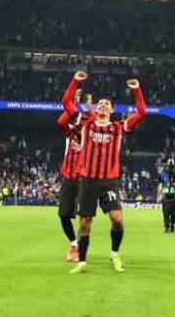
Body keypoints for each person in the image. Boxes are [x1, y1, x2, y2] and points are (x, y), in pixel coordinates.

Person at [59, 71, 147, 274]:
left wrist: (136, 90)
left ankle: (115, 253)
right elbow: (66, 103)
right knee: (85, 224)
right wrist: (75, 80)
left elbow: (142, 112)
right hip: (88, 181)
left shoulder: (119, 127)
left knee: (117, 219)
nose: (103, 105)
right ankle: (82, 262)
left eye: (107, 104)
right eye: (100, 103)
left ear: (112, 110)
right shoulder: (85, 124)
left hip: (109, 181)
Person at [56, 80, 92, 261]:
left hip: (85, 179)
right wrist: (75, 103)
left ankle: (80, 248)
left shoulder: (91, 136)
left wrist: (86, 108)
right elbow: (61, 120)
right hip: (69, 177)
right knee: (63, 215)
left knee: (84, 217)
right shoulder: (70, 133)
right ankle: (74, 244)